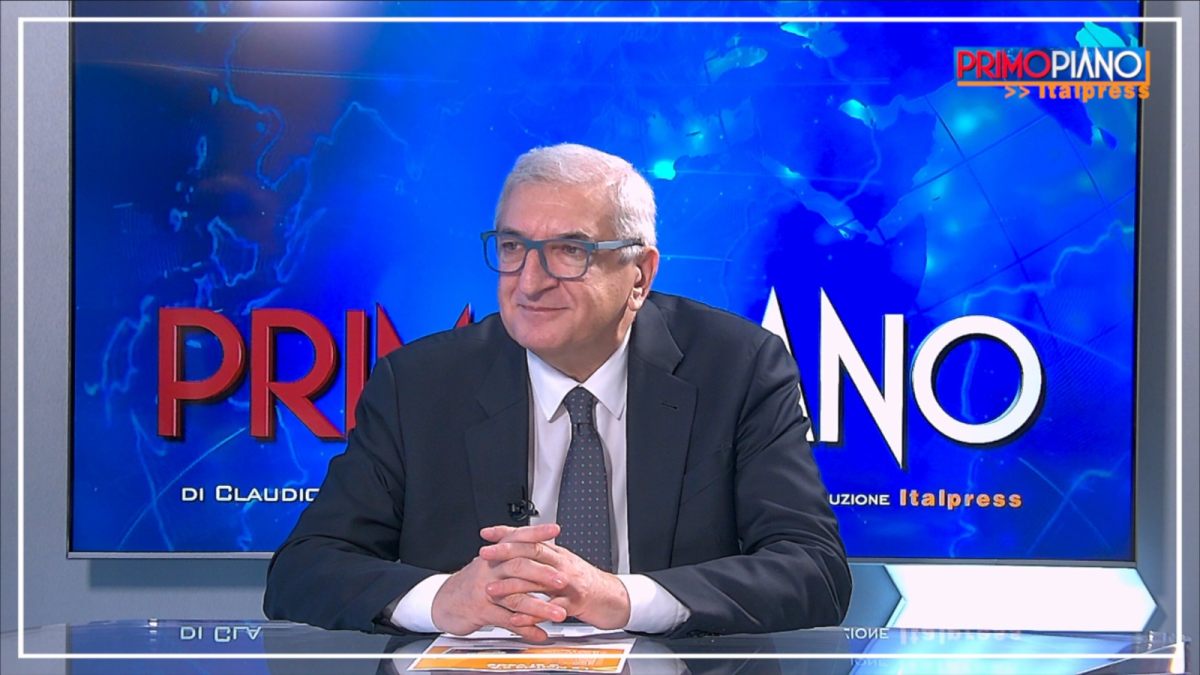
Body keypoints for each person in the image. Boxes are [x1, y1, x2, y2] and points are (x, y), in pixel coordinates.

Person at [263, 143, 852, 640]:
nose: (530, 282)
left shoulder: (736, 368)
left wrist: (620, 597)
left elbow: (814, 571)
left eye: (570, 251)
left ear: (640, 276)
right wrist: (444, 600)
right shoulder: (418, 385)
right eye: (513, 247)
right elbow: (304, 570)